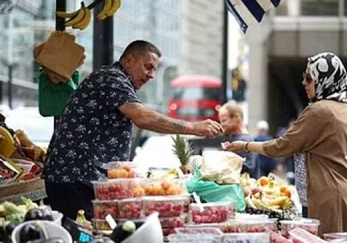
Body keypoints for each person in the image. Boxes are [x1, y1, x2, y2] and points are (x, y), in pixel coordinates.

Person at [43, 40, 223, 220]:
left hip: (81, 178)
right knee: (82, 235)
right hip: (74, 178)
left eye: (154, 70)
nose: (151, 75)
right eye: (148, 67)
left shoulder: (117, 80)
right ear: (128, 60)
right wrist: (194, 127)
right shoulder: (111, 78)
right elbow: (142, 117)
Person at [223, 52, 347, 243]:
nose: (304, 83)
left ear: (324, 80)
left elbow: (282, 146)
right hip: (342, 192)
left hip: (327, 195)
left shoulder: (320, 111)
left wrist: (245, 145)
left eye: (309, 78)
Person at [218, 101, 255, 175]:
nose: (222, 124)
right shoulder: (233, 137)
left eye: (224, 120)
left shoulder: (245, 141)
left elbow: (246, 168)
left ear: (237, 117)